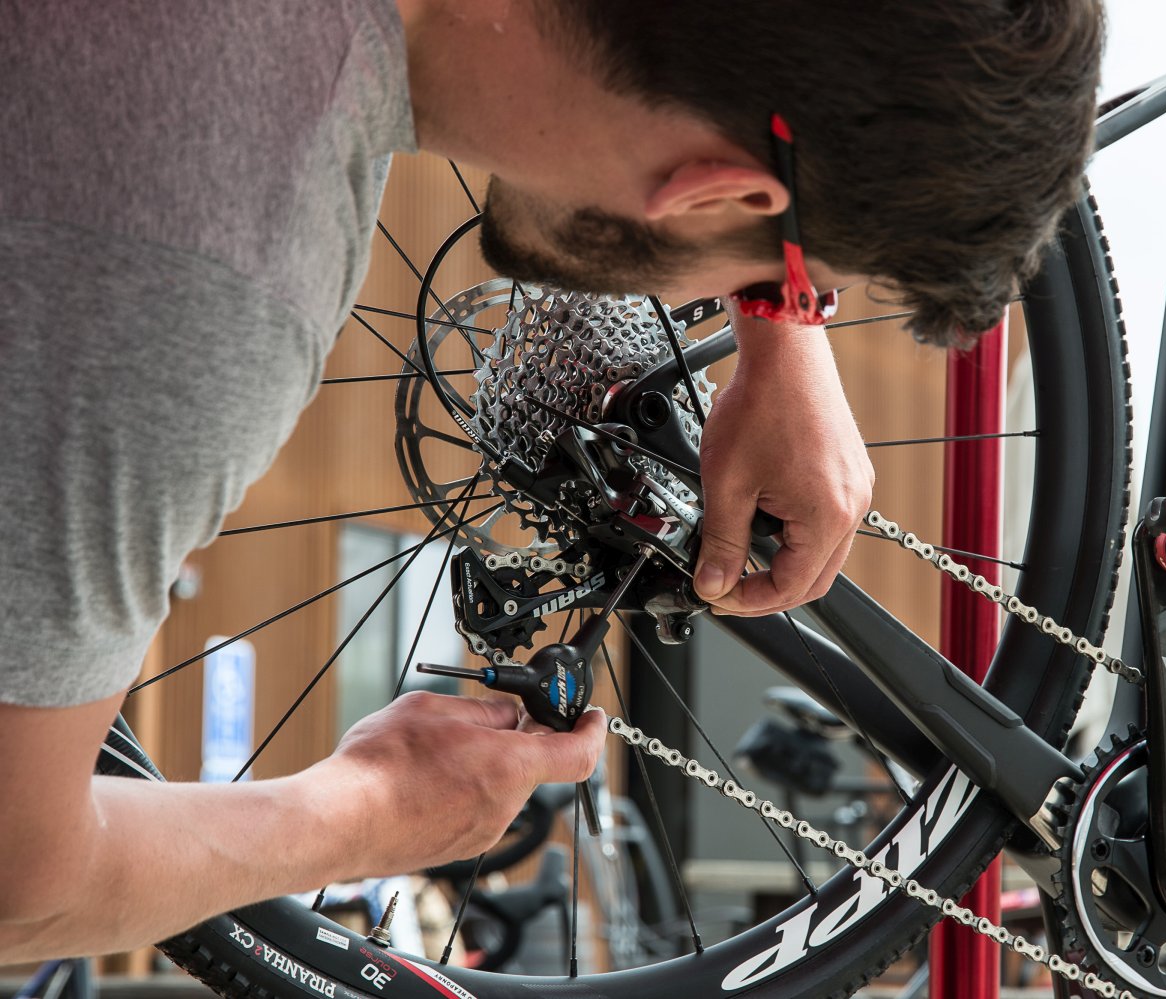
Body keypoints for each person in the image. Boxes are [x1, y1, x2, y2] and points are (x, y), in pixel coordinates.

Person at [0, 0, 1102, 962]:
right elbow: (17, 885)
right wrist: (367, 812)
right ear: (719, 194)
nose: (758, 298)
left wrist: (779, 324)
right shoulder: (197, 269)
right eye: (785, 277)